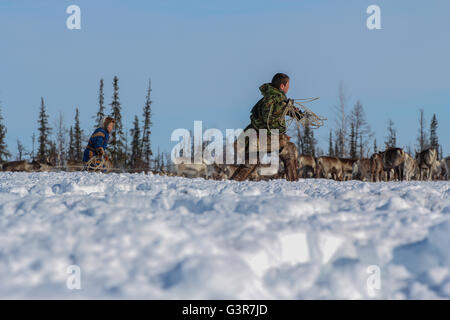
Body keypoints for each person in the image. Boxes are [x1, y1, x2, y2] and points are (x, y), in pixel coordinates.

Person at [231, 73, 301, 181]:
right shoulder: (271, 100)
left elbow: (279, 111)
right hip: (259, 137)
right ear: (282, 86)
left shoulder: (275, 99)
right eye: (288, 84)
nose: (289, 87)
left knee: (251, 161)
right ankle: (294, 183)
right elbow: (268, 119)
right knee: (289, 151)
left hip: (255, 137)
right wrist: (281, 135)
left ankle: (231, 185)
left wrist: (298, 114)